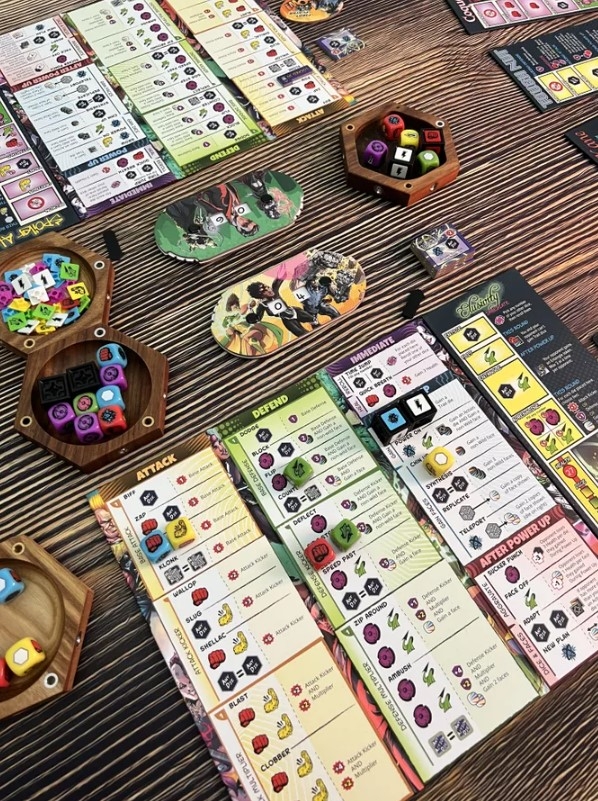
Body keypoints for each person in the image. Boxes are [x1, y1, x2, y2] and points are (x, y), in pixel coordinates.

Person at [246, 278, 314, 337]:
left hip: (295, 312)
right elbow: (257, 319)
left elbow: (281, 276)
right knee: (303, 334)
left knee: (314, 321)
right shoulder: (262, 305)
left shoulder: (274, 290)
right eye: (264, 291)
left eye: (267, 287)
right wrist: (250, 308)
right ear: (259, 295)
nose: (268, 290)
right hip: (288, 321)